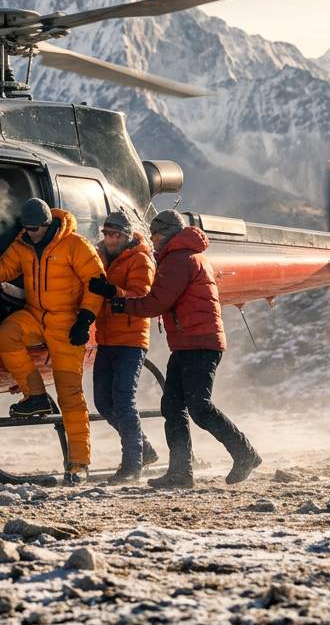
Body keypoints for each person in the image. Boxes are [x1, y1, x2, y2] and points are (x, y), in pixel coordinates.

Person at [89, 209, 261, 488]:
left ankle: (244, 453)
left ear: (166, 233)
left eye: (155, 234)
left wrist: (121, 303)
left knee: (198, 407)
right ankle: (181, 472)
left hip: (198, 341)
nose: (152, 239)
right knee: (173, 406)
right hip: (189, 341)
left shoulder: (179, 260)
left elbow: (157, 302)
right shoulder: (183, 256)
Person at [0, 198, 105, 484]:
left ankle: (79, 463)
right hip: (35, 315)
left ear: (47, 224)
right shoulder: (23, 244)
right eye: (26, 228)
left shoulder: (76, 245)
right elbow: (6, 269)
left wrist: (85, 319)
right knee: (5, 335)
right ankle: (35, 397)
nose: (29, 232)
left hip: (67, 323)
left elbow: (96, 283)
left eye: (34, 228)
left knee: (70, 393)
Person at [91, 211, 160, 483]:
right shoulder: (102, 257)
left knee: (123, 401)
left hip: (131, 340)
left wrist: (112, 291)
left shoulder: (140, 259)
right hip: (106, 338)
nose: (109, 239)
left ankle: (132, 465)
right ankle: (145, 450)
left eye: (115, 235)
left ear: (127, 235)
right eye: (107, 234)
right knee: (103, 402)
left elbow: (142, 297)